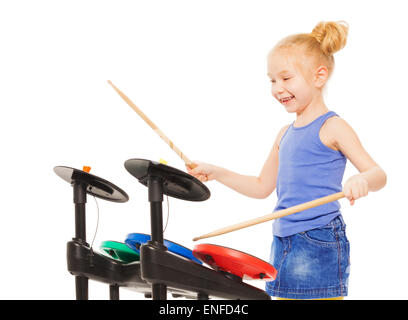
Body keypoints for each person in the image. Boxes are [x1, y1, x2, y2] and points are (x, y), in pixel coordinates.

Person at [187, 21, 387, 300]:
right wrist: (216, 172)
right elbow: (261, 187)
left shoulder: (332, 127)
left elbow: (379, 174)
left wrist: (361, 179)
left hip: (318, 237)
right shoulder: (284, 134)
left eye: (285, 78)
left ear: (319, 77)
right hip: (283, 240)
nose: (277, 88)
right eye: (272, 80)